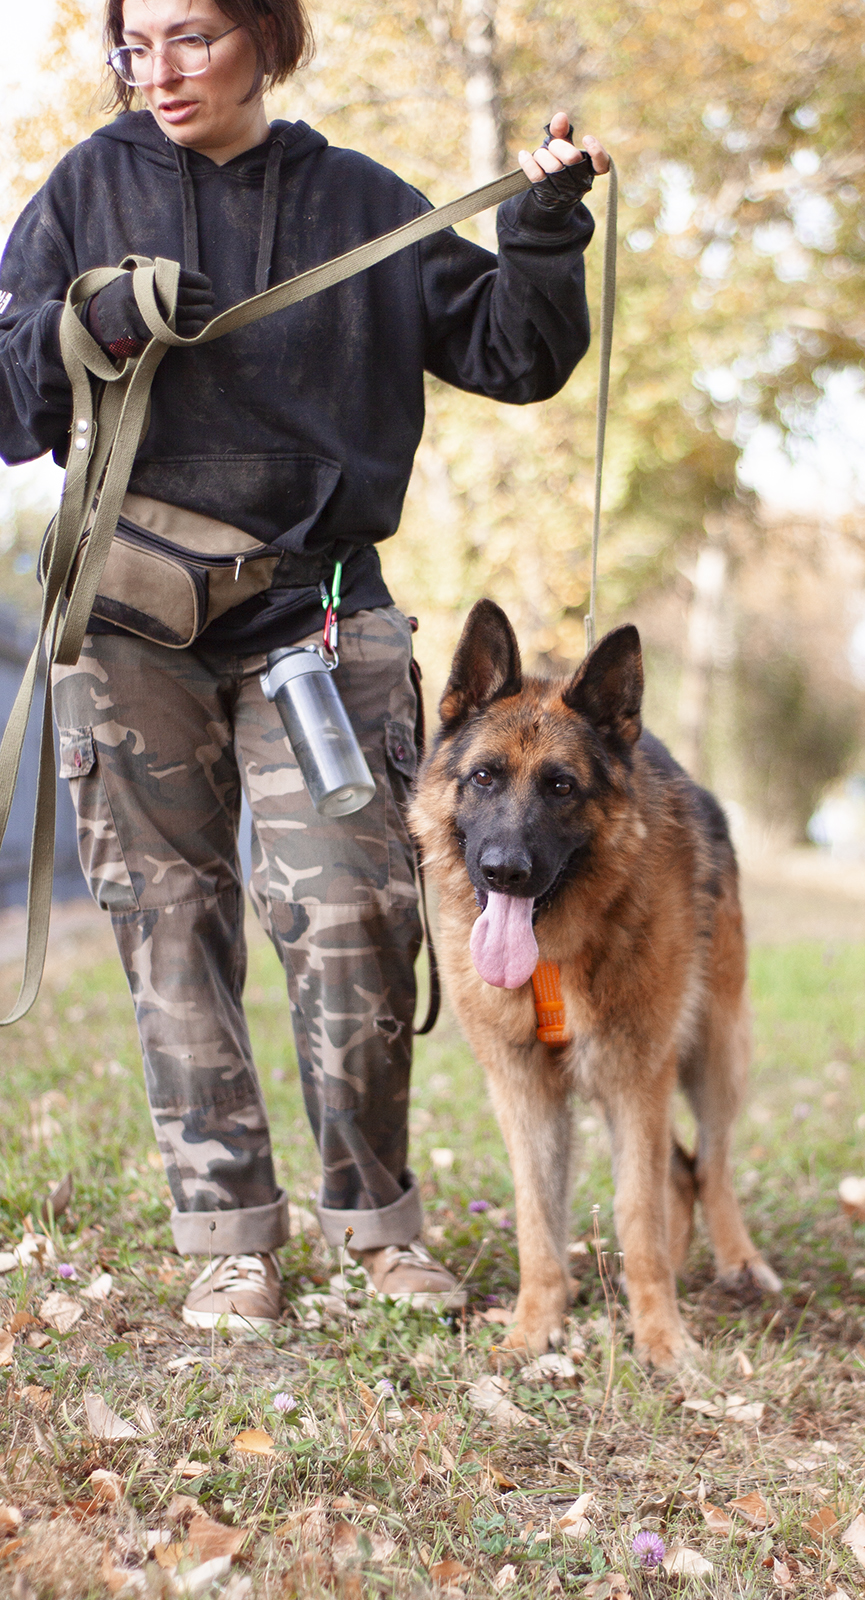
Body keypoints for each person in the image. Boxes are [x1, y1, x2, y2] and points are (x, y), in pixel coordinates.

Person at [0, 0, 608, 1331]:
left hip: (320, 618)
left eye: (193, 37)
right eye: (135, 43)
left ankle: (377, 1230)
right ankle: (228, 1241)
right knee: (171, 932)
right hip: (128, 621)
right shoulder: (87, 189)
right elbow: (7, 405)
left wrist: (546, 226)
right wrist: (79, 327)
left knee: (355, 919)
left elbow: (520, 354)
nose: (159, 71)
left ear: (266, 38)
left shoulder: (361, 204)